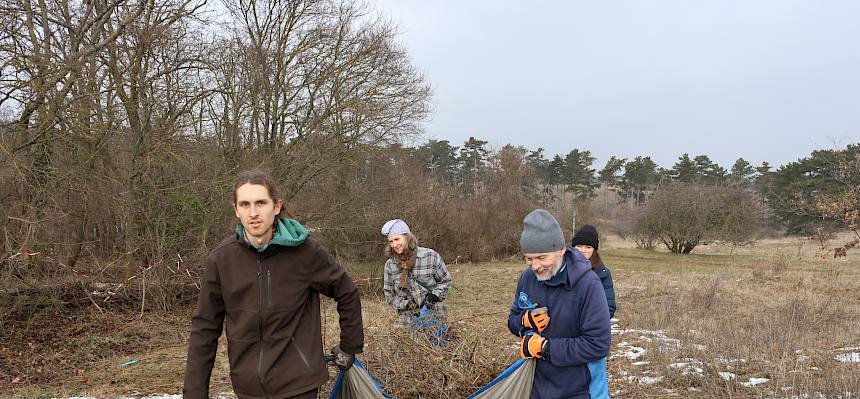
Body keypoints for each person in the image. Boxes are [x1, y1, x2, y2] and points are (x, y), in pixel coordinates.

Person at [183, 171, 364, 399]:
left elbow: (346, 292)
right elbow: (205, 327)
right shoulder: (221, 260)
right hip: (247, 386)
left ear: (277, 206)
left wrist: (350, 345)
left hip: (299, 383)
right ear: (236, 210)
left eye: (261, 203)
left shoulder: (305, 253)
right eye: (245, 204)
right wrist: (195, 392)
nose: (253, 212)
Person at [507, 209, 611, 399]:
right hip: (537, 385)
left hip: (580, 389)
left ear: (561, 250)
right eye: (529, 258)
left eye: (542, 257)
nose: (535, 266)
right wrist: (525, 322)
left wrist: (546, 348)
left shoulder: (589, 285)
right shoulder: (527, 278)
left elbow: (598, 345)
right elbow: (512, 320)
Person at [381, 219, 452, 328]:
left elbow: (445, 281)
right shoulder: (390, 265)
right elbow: (389, 297)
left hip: (435, 316)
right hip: (405, 321)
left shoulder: (430, 256)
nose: (394, 245)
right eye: (391, 241)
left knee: (437, 343)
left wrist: (434, 296)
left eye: (397, 239)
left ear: (407, 237)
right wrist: (407, 305)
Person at [572, 224, 617, 318]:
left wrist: (589, 322)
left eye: (588, 247)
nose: (583, 250)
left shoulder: (602, 273)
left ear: (594, 250)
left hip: (589, 327)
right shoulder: (561, 268)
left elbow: (609, 307)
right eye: (579, 246)